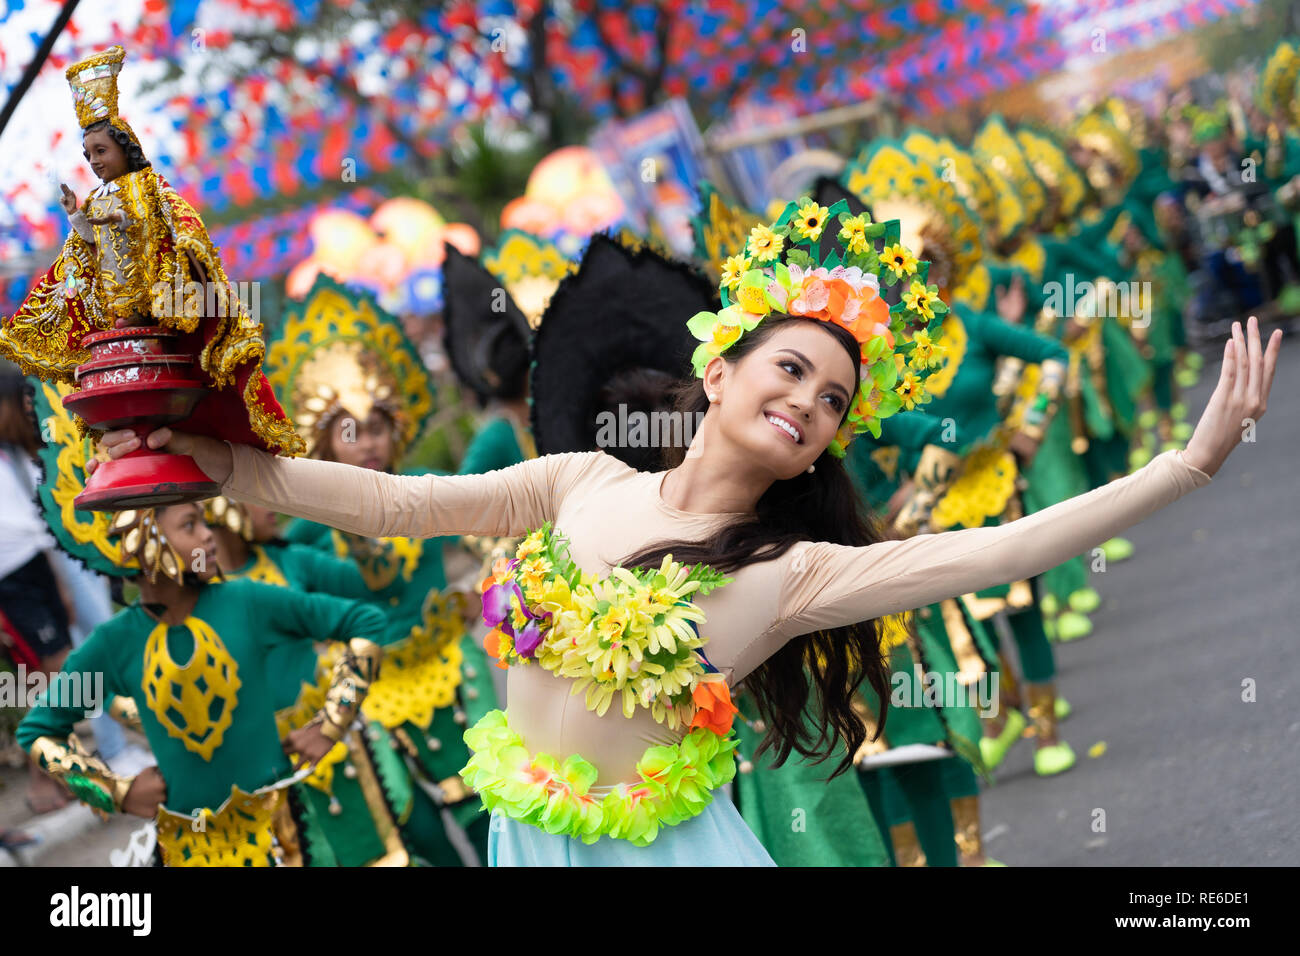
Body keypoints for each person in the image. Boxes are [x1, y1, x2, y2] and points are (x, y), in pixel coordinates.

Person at [94, 195, 1282, 865]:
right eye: (792, 369)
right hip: (526, 839)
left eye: (831, 405)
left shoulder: (794, 571)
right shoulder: (579, 481)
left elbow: (997, 549)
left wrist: (1183, 463)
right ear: (717, 371)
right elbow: (400, 506)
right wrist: (232, 465)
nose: (810, 405)